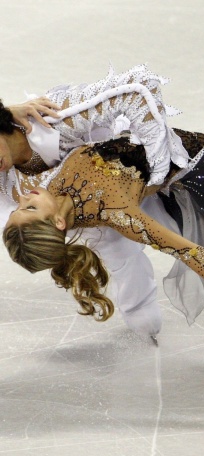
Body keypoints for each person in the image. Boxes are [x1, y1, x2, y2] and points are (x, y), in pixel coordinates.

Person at [2, 134, 204, 342]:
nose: (25, 198)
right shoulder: (116, 213)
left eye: (20, 207)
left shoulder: (43, 188)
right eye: (29, 208)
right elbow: (191, 253)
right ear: (57, 222)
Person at [0, 65, 193, 338]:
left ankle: (143, 317)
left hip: (116, 177)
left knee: (142, 235)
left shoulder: (56, 119)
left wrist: (158, 173)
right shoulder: (16, 192)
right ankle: (143, 318)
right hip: (58, 199)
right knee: (114, 242)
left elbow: (138, 87)